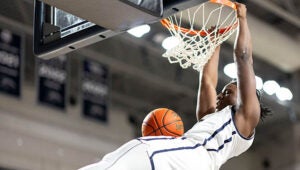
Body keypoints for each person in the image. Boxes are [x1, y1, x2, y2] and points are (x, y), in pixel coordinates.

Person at [79, 2, 271, 170]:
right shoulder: (212, 119)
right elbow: (207, 82)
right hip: (193, 163)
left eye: (228, 91)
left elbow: (244, 58)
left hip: (189, 155)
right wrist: (215, 41)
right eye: (222, 92)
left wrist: (242, 19)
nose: (220, 95)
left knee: (136, 151)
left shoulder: (247, 117)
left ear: (248, 98)